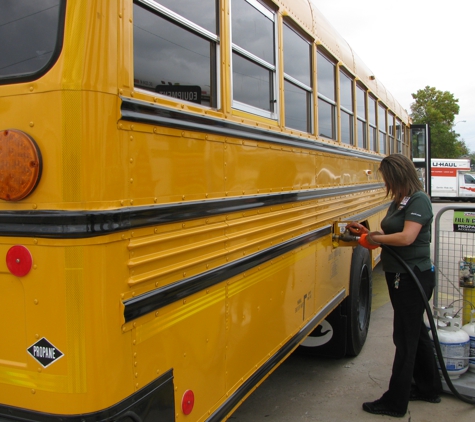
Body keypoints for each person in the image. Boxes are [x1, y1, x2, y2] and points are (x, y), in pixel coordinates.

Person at [346, 154, 442, 418]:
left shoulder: (419, 199)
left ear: (399, 175)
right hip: (401, 274)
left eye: (387, 177)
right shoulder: (400, 200)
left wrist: (373, 237)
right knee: (417, 333)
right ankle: (428, 387)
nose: (385, 182)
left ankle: (395, 402)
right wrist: (366, 235)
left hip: (412, 277)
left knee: (405, 338)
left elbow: (407, 237)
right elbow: (390, 236)